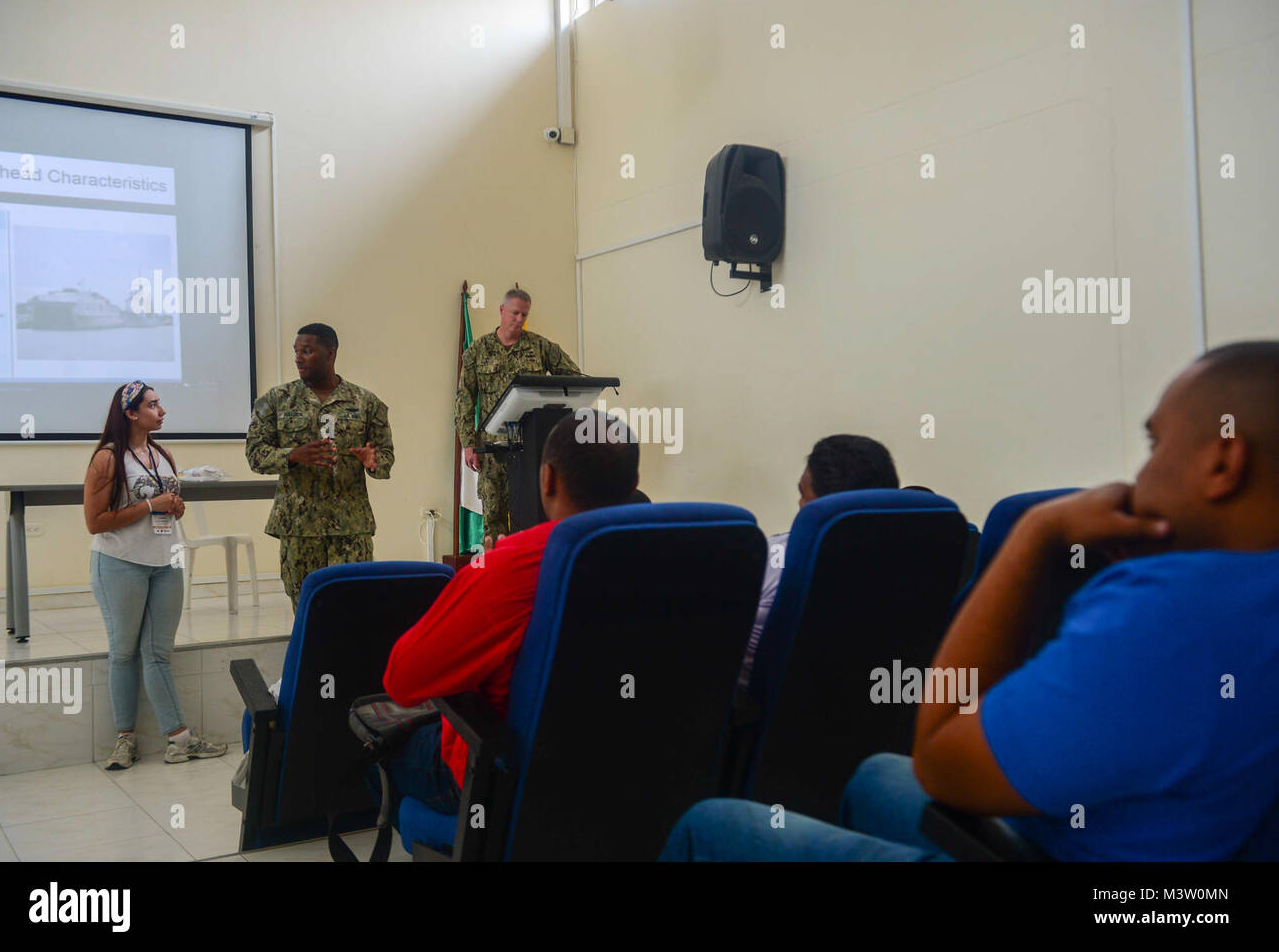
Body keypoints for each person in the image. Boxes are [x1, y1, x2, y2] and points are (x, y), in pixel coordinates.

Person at [663, 340, 1279, 861]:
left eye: (1154, 446)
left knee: (709, 824)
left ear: (1224, 461)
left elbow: (939, 756)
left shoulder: (1167, 614)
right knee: (875, 775)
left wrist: (1036, 534)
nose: (1141, 474)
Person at [379, 412, 638, 817]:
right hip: (634, 770)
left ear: (546, 479)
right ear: (633, 486)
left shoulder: (512, 567)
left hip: (509, 776)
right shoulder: (671, 550)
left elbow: (402, 679)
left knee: (378, 749)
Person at [84, 381, 228, 769]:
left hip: (166, 562)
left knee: (158, 653)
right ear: (130, 413)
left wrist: (173, 507)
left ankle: (179, 740)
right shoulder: (107, 459)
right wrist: (151, 505)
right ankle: (125, 741)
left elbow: (164, 503)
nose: (161, 411)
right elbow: (94, 522)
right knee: (124, 652)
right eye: (152, 405)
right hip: (120, 563)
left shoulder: (161, 452)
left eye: (160, 404)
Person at [245, 323, 395, 611]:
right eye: (296, 351)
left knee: (353, 610)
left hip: (350, 529)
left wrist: (373, 462)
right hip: (299, 528)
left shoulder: (366, 403)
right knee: (306, 610)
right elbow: (255, 455)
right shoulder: (276, 401)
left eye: (308, 351)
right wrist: (292, 456)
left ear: (331, 353)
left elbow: (385, 459)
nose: (299, 358)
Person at [738, 434, 899, 689]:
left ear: (823, 509)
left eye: (804, 495)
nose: (799, 504)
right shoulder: (918, 565)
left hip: (773, 717)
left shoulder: (769, 565)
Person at [455, 288, 582, 541]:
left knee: (529, 517)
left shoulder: (539, 346)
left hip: (529, 449)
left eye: (524, 315)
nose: (519, 319)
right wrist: (469, 443)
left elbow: (574, 378)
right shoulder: (478, 350)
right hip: (492, 448)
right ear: (502, 311)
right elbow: (465, 399)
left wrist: (550, 406)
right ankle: (496, 571)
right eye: (514, 313)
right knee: (494, 520)